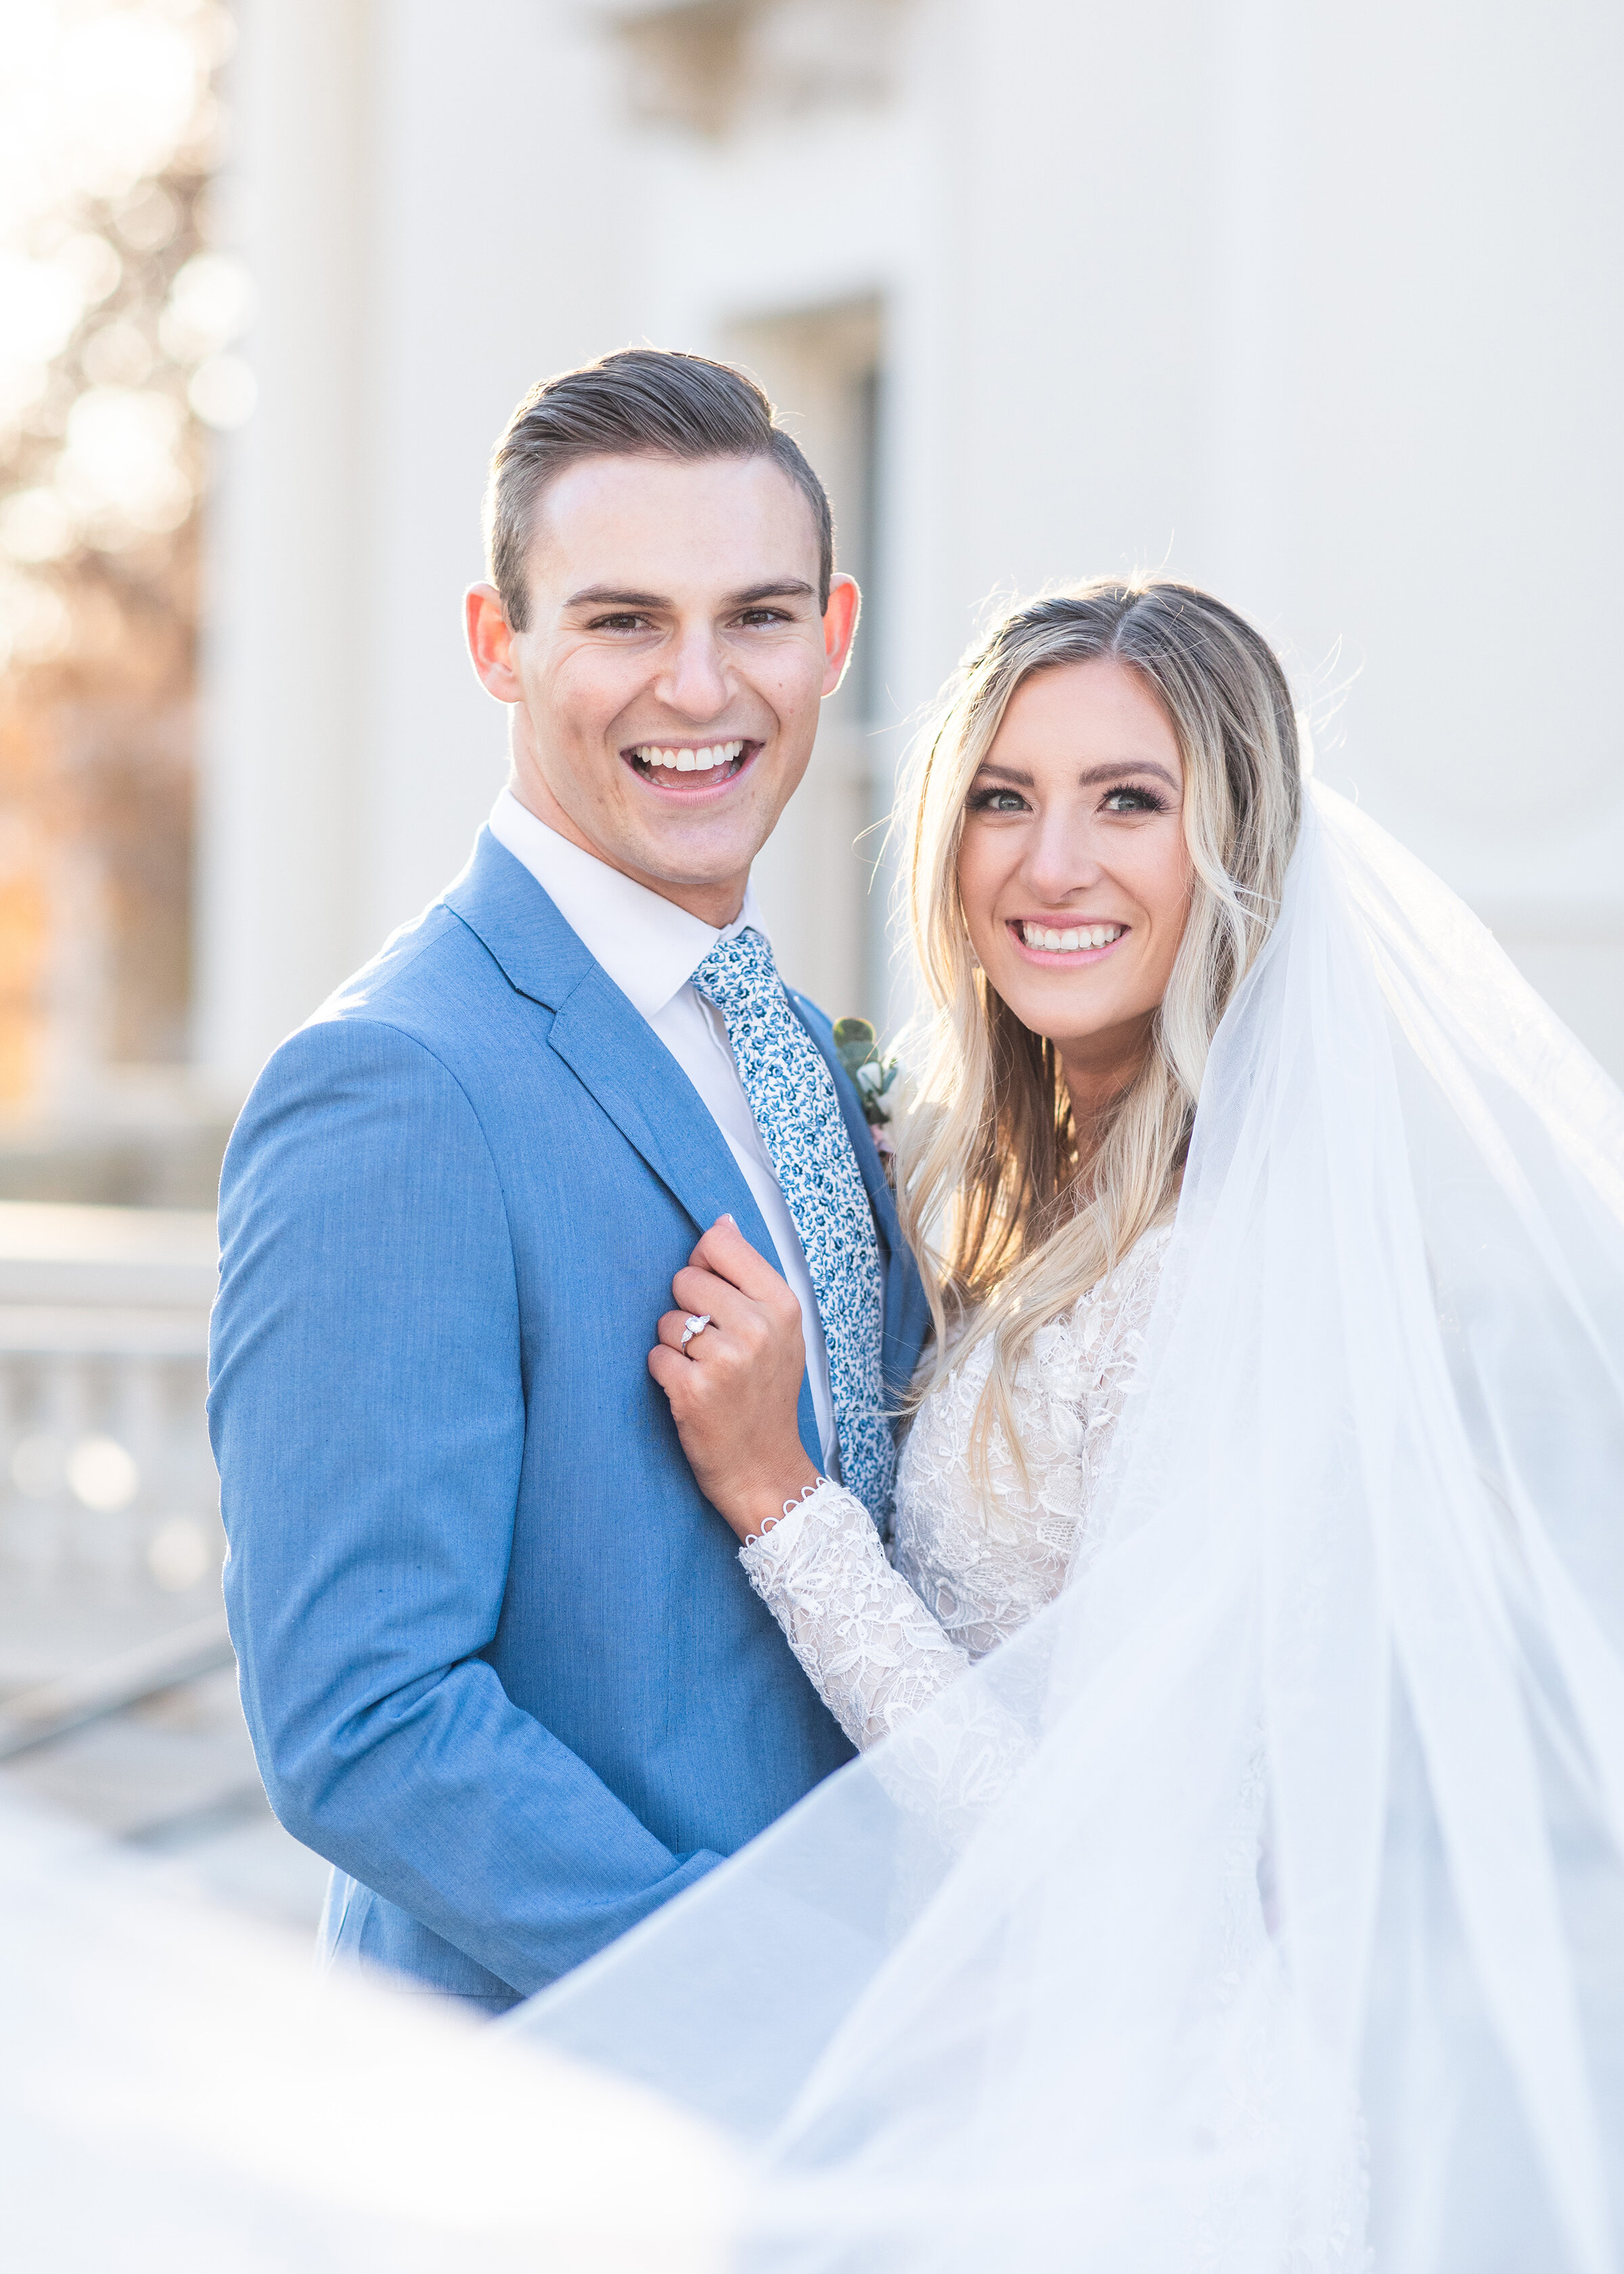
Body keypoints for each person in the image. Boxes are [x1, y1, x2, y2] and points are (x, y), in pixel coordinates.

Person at [518, 578, 1624, 2273]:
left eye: (1131, 802)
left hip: (1130, 2137)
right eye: (1003, 800)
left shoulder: (1231, 1277)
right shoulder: (1016, 1200)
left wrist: (779, 1499)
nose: (1051, 866)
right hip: (989, 2072)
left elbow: (1090, 1852)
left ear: (1238, 850)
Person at [208, 348, 929, 2015]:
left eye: (755, 617)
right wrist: (761, 2009)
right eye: (621, 622)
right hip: (574, 2124)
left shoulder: (795, 1044)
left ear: (832, 637)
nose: (699, 687)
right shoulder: (395, 1083)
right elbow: (365, 1724)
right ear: (498, 645)